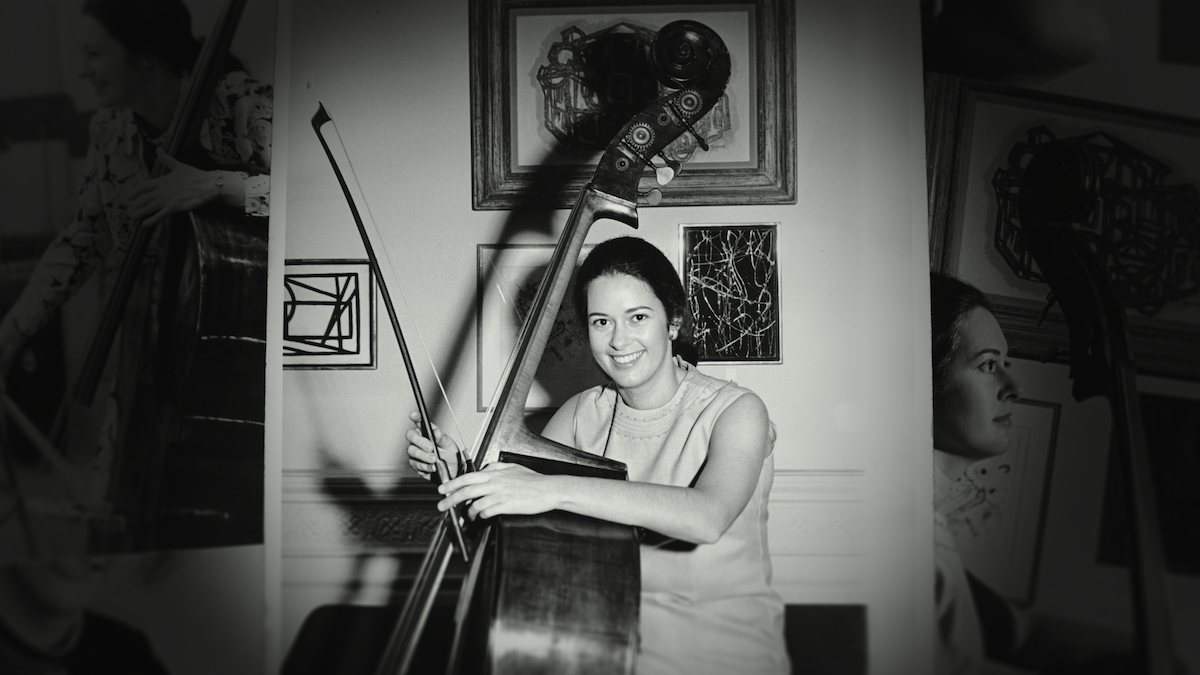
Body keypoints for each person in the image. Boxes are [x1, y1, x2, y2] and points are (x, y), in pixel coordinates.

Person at [406, 236, 790, 674]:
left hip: (725, 658)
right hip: (599, 650)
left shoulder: (737, 410)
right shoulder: (578, 414)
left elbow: (707, 517)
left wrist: (552, 489)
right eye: (601, 321)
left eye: (638, 317)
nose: (618, 339)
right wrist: (462, 476)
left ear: (673, 321)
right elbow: (516, 536)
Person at [0, 0, 271, 504]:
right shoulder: (109, 130)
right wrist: (10, 335)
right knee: (118, 504)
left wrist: (218, 185)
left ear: (144, 55)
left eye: (94, 53)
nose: (83, 68)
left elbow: (317, 197)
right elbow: (83, 239)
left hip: (231, 366)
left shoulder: (237, 103)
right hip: (146, 359)